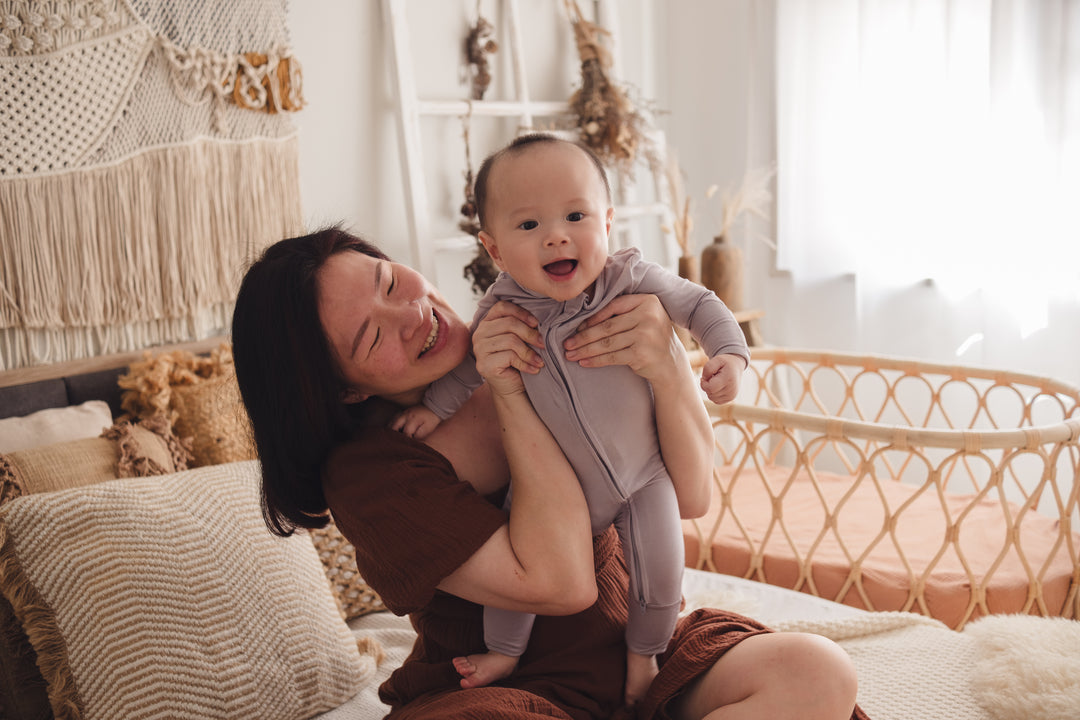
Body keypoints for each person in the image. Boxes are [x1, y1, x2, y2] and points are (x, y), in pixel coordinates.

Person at [231, 226, 869, 720]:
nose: (414, 314)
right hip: (504, 692)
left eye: (391, 280)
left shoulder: (545, 315)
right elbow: (562, 583)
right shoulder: (372, 472)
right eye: (374, 338)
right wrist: (509, 394)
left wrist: (668, 364)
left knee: (817, 671)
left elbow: (693, 495)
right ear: (345, 391)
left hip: (637, 662)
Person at [392, 133, 749, 705]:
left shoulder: (630, 280)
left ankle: (643, 657)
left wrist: (729, 353)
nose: (556, 234)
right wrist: (432, 412)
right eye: (528, 225)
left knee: (661, 574)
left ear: (607, 221)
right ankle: (504, 652)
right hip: (559, 491)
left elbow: (700, 304)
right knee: (520, 562)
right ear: (495, 250)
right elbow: (470, 368)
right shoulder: (503, 310)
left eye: (576, 215)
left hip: (645, 476)